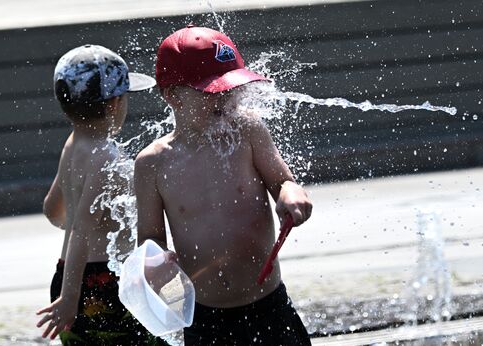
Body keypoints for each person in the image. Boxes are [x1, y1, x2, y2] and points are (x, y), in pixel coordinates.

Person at [135, 25, 313, 345]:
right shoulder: (153, 164)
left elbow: (282, 181)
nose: (226, 99)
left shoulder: (247, 131)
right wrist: (156, 264)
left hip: (269, 307)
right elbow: (150, 239)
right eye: (212, 92)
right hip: (207, 319)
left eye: (231, 88)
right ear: (173, 95)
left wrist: (292, 194)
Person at [35, 44, 164, 345]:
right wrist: (71, 298)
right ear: (115, 103)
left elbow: (53, 211)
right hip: (98, 286)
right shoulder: (106, 156)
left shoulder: (74, 144)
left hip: (66, 274)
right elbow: (80, 229)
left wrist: (67, 292)